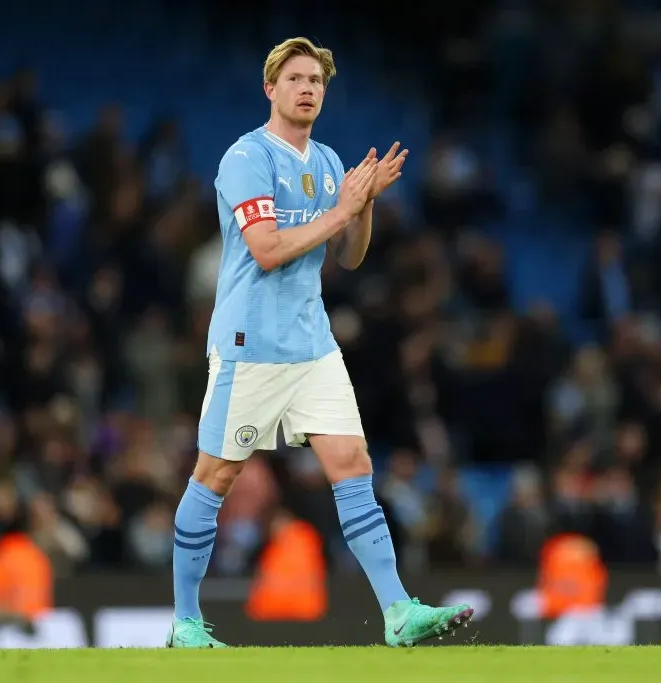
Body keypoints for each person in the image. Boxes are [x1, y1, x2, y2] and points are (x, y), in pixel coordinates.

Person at [167, 36, 473, 649]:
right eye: (296, 79)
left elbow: (351, 258)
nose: (308, 89)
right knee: (215, 476)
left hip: (313, 346)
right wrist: (342, 210)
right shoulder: (246, 159)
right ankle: (185, 622)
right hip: (250, 344)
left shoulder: (330, 162)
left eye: (317, 82)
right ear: (271, 89)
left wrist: (362, 208)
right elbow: (268, 248)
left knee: (353, 466)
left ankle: (397, 614)